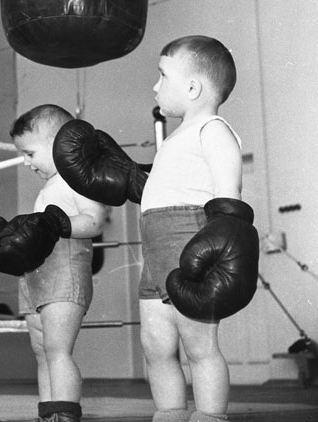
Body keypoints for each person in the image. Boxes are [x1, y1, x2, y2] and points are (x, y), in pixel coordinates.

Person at [52, 35, 259, 422]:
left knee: (200, 347)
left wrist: (227, 231)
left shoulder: (213, 130)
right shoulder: (175, 138)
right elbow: (160, 189)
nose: (155, 85)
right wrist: (130, 176)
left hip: (191, 248)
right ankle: (170, 412)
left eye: (162, 76)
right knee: (155, 344)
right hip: (155, 252)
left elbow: (229, 192)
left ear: (193, 87)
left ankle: (210, 416)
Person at [0, 104, 107, 422]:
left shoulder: (80, 180)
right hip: (36, 276)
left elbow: (95, 221)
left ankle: (66, 414)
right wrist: (2, 233)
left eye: (29, 153)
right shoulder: (48, 188)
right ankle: (49, 412)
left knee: (57, 350)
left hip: (65, 274)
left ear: (59, 144)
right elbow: (35, 234)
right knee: (42, 352)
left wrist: (57, 224)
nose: (26, 163)